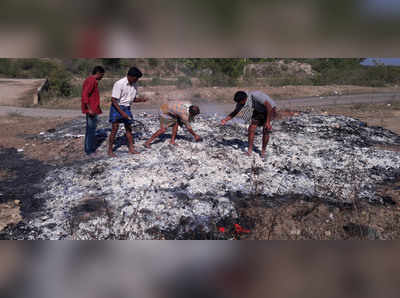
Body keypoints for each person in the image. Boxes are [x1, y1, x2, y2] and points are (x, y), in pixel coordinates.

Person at [221, 90, 277, 158]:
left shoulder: (256, 96)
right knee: (251, 128)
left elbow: (269, 107)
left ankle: (263, 152)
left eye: (242, 103)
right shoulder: (240, 102)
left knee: (266, 130)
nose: (241, 105)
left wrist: (267, 122)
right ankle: (249, 151)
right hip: (258, 110)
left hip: (270, 109)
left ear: (245, 99)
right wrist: (225, 120)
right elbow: (235, 112)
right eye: (239, 103)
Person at [108, 67, 148, 157]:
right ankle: (110, 150)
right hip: (116, 107)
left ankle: (131, 149)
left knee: (129, 128)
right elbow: (113, 100)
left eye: (138, 78)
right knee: (115, 129)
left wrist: (141, 100)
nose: (137, 80)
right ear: (130, 76)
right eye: (136, 78)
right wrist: (122, 113)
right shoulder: (119, 84)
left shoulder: (135, 84)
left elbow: (132, 99)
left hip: (127, 108)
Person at [81, 65, 105, 156]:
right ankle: (89, 150)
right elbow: (85, 95)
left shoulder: (92, 81)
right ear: (98, 73)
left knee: (91, 130)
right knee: (91, 130)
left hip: (94, 109)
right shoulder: (91, 81)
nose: (102, 77)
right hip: (91, 110)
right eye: (102, 75)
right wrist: (89, 109)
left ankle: (90, 148)